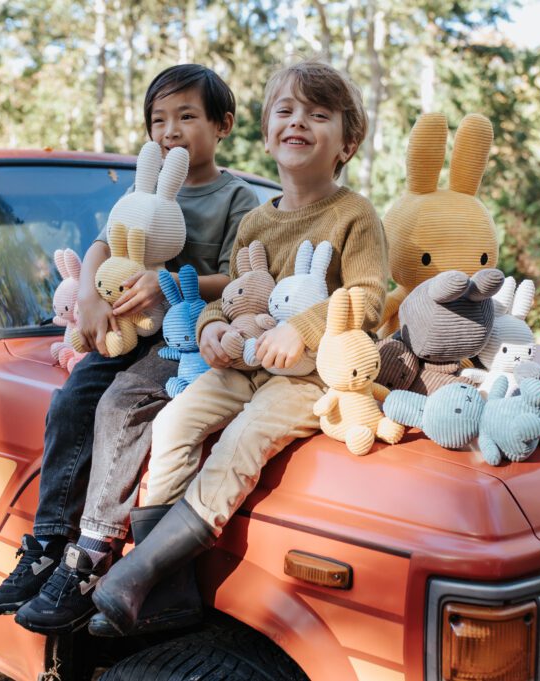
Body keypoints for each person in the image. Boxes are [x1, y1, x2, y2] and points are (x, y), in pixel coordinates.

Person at [87, 58, 390, 636]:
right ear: (267, 129)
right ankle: (166, 596)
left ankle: (139, 571)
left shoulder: (355, 215)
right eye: (286, 110)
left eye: (318, 114)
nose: (298, 122)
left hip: (312, 375)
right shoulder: (255, 220)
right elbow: (231, 297)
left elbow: (370, 297)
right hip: (244, 363)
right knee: (174, 423)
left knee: (243, 438)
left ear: (346, 141)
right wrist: (214, 331)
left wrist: (299, 329)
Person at [0, 64, 259, 634]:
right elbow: (104, 244)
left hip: (186, 337)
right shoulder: (140, 187)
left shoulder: (237, 198)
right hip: (121, 330)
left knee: (121, 405)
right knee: (72, 400)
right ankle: (48, 544)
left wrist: (171, 280)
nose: (170, 130)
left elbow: (240, 279)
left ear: (222, 124)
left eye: (186, 116)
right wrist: (87, 294)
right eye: (158, 120)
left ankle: (93, 553)